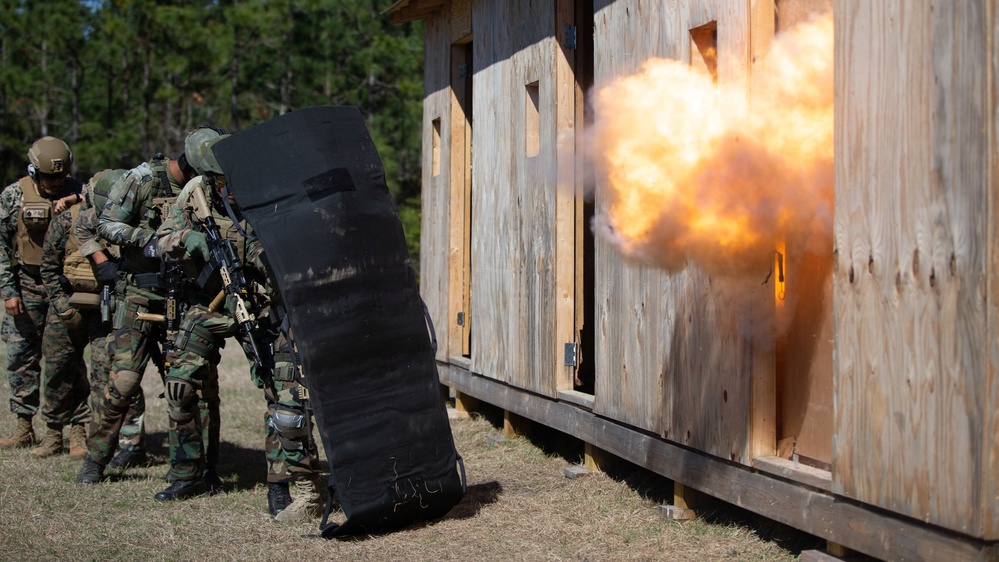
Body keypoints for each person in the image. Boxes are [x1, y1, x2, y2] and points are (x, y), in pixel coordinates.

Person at [154, 131, 323, 515]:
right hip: (208, 304)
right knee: (180, 384)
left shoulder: (268, 191)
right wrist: (186, 239)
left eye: (235, 180)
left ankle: (281, 482)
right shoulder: (194, 191)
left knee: (284, 393)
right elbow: (161, 240)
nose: (231, 190)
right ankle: (188, 472)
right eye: (223, 184)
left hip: (260, 305)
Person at [76, 138, 212, 485]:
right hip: (137, 292)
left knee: (190, 382)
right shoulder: (142, 179)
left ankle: (196, 466)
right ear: (190, 163)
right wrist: (148, 241)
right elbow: (105, 225)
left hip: (183, 296)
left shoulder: (209, 187)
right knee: (123, 381)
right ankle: (94, 461)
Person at [0, 136, 90, 457]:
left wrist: (78, 196)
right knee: (21, 357)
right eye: (49, 177)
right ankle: (24, 427)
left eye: (60, 177)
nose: (55, 183)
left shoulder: (82, 192)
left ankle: (78, 429)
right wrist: (8, 290)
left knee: (69, 359)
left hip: (66, 287)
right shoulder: (12, 196)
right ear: (33, 171)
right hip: (26, 284)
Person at [65, 169, 148, 467]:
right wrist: (102, 262)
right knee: (114, 375)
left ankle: (133, 444)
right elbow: (83, 230)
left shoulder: (142, 211)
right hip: (111, 304)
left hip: (146, 297)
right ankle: (115, 446)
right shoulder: (90, 215)